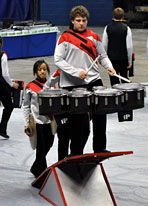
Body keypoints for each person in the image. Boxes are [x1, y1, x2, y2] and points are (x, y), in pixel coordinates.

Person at [54, 5, 116, 155]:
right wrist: (76, 72)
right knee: (78, 122)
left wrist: (110, 67)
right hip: (72, 83)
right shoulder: (65, 37)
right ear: (73, 21)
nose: (81, 23)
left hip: (93, 80)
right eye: (78, 20)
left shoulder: (94, 37)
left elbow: (102, 56)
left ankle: (99, 147)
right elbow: (58, 60)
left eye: (84, 20)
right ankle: (76, 152)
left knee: (101, 113)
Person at [23, 60, 54, 177]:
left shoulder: (51, 86)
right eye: (40, 69)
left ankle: (35, 168)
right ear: (36, 71)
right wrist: (27, 124)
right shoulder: (30, 86)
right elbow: (26, 106)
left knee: (49, 144)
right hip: (37, 122)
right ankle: (42, 173)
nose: (42, 71)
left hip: (49, 122)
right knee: (40, 148)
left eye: (44, 69)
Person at [102, 7, 133, 85]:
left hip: (112, 58)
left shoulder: (107, 28)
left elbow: (104, 44)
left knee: (114, 80)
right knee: (124, 78)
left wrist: (105, 60)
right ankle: (125, 96)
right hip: (123, 58)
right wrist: (130, 61)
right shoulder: (126, 28)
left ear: (113, 16)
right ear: (123, 17)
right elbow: (129, 46)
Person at [0, 36, 19, 139]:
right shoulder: (3, 55)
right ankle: (2, 128)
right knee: (9, 106)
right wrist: (12, 84)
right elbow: (5, 74)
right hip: (1, 86)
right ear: (1, 44)